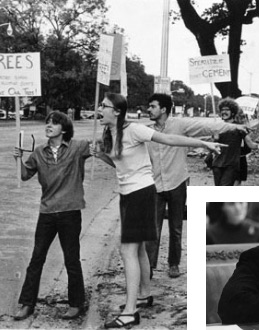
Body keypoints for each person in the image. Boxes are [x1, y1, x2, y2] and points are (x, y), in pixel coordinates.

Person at [92, 92, 226, 329]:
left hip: (140, 194)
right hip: (127, 194)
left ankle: (130, 311)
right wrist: (101, 155)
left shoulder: (135, 130)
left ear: (117, 111)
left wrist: (203, 143)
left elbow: (170, 140)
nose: (99, 109)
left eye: (104, 106)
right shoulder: (109, 133)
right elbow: (120, 163)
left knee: (127, 251)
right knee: (140, 248)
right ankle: (144, 294)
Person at [145, 93, 250, 279]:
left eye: (152, 106)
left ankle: (174, 264)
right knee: (153, 227)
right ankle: (149, 266)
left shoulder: (180, 125)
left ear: (163, 109)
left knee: (176, 227)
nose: (148, 109)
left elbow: (209, 125)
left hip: (177, 182)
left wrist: (235, 126)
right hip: (155, 184)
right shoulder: (147, 130)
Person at [12, 111, 91, 321]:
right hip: (47, 212)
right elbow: (24, 175)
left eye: (54, 123)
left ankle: (76, 304)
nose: (49, 125)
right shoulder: (38, 152)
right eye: (47, 122)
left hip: (70, 212)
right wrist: (19, 159)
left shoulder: (77, 147)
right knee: (36, 258)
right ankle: (27, 304)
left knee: (71, 259)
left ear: (63, 129)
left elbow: (103, 148)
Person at [212, 98, 255, 186]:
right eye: (222, 110)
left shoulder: (240, 128)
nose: (224, 112)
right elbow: (211, 146)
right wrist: (215, 138)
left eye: (227, 110)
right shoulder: (218, 127)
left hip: (231, 165)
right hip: (217, 164)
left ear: (233, 112)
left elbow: (250, 144)